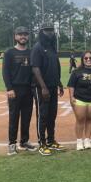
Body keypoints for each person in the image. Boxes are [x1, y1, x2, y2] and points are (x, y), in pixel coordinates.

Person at [31, 24, 65, 155]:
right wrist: (43, 87)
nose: (50, 33)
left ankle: (51, 140)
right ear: (41, 32)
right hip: (41, 88)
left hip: (52, 85)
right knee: (43, 115)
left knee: (52, 114)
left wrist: (59, 83)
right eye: (47, 31)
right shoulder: (37, 48)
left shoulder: (51, 47)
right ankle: (42, 143)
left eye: (51, 30)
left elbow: (54, 66)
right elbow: (35, 68)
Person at [2, 26, 37, 155]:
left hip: (28, 90)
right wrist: (9, 88)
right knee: (14, 117)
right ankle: (12, 143)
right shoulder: (9, 52)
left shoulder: (31, 52)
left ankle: (24, 141)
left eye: (25, 34)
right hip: (15, 90)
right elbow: (5, 72)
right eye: (20, 34)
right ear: (15, 36)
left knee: (26, 117)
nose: (23, 37)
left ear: (28, 37)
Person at [67, 51, 91, 151]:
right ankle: (79, 141)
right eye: (86, 58)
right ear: (83, 60)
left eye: (90, 58)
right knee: (80, 120)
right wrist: (71, 97)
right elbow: (71, 85)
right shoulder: (77, 71)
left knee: (90, 120)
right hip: (80, 99)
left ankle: (87, 140)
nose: (88, 60)